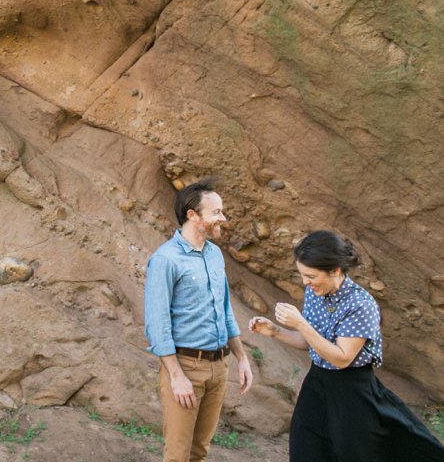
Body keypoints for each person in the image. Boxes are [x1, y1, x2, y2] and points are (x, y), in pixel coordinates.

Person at [249, 230, 444, 462]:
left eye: (310, 276)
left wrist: (300, 323)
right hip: (317, 384)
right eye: (302, 275)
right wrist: (275, 331)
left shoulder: (361, 304)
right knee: (305, 451)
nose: (305, 282)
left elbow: (342, 358)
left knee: (351, 454)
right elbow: (310, 342)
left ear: (335, 270)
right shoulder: (315, 292)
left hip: (352, 391)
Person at [144, 178, 253, 462]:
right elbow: (157, 325)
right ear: (193, 215)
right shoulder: (165, 260)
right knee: (178, 455)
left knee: (199, 451)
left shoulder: (215, 255)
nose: (223, 218)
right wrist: (176, 376)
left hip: (219, 367)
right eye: (216, 212)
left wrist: (241, 357)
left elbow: (225, 310)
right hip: (185, 367)